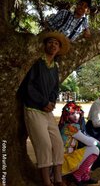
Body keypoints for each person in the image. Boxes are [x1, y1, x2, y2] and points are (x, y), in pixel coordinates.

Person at [20, 31, 70, 186]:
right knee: (44, 145)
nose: (53, 45)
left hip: (48, 111)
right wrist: (42, 102)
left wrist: (52, 102)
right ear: (45, 45)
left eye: (56, 43)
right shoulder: (36, 63)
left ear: (59, 48)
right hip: (33, 109)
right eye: (50, 42)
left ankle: (58, 179)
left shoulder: (55, 67)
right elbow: (27, 87)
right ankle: (47, 182)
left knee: (58, 144)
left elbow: (55, 88)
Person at [58, 101, 100, 186]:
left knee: (94, 149)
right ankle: (77, 176)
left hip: (67, 158)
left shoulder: (69, 126)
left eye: (78, 113)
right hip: (64, 162)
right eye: (72, 113)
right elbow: (88, 140)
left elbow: (87, 138)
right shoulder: (70, 127)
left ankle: (84, 176)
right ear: (66, 115)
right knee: (95, 149)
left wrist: (99, 145)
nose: (76, 116)